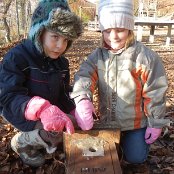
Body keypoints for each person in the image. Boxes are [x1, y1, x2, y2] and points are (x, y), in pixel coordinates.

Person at [71, 0, 170, 173]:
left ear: (130, 29)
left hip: (135, 124)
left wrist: (155, 122)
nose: (113, 36)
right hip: (107, 121)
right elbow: (84, 76)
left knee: (135, 157)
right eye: (107, 31)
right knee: (101, 157)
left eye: (120, 30)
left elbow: (155, 91)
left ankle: (133, 143)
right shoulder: (98, 56)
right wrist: (82, 99)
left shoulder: (144, 57)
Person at [0, 0, 82, 167]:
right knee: (54, 131)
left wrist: (75, 109)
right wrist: (41, 109)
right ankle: (22, 142)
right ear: (40, 31)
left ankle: (48, 142)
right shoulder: (17, 57)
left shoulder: (61, 63)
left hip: (50, 112)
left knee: (73, 123)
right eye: (55, 37)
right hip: (22, 113)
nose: (60, 46)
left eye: (66, 40)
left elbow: (63, 93)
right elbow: (8, 96)